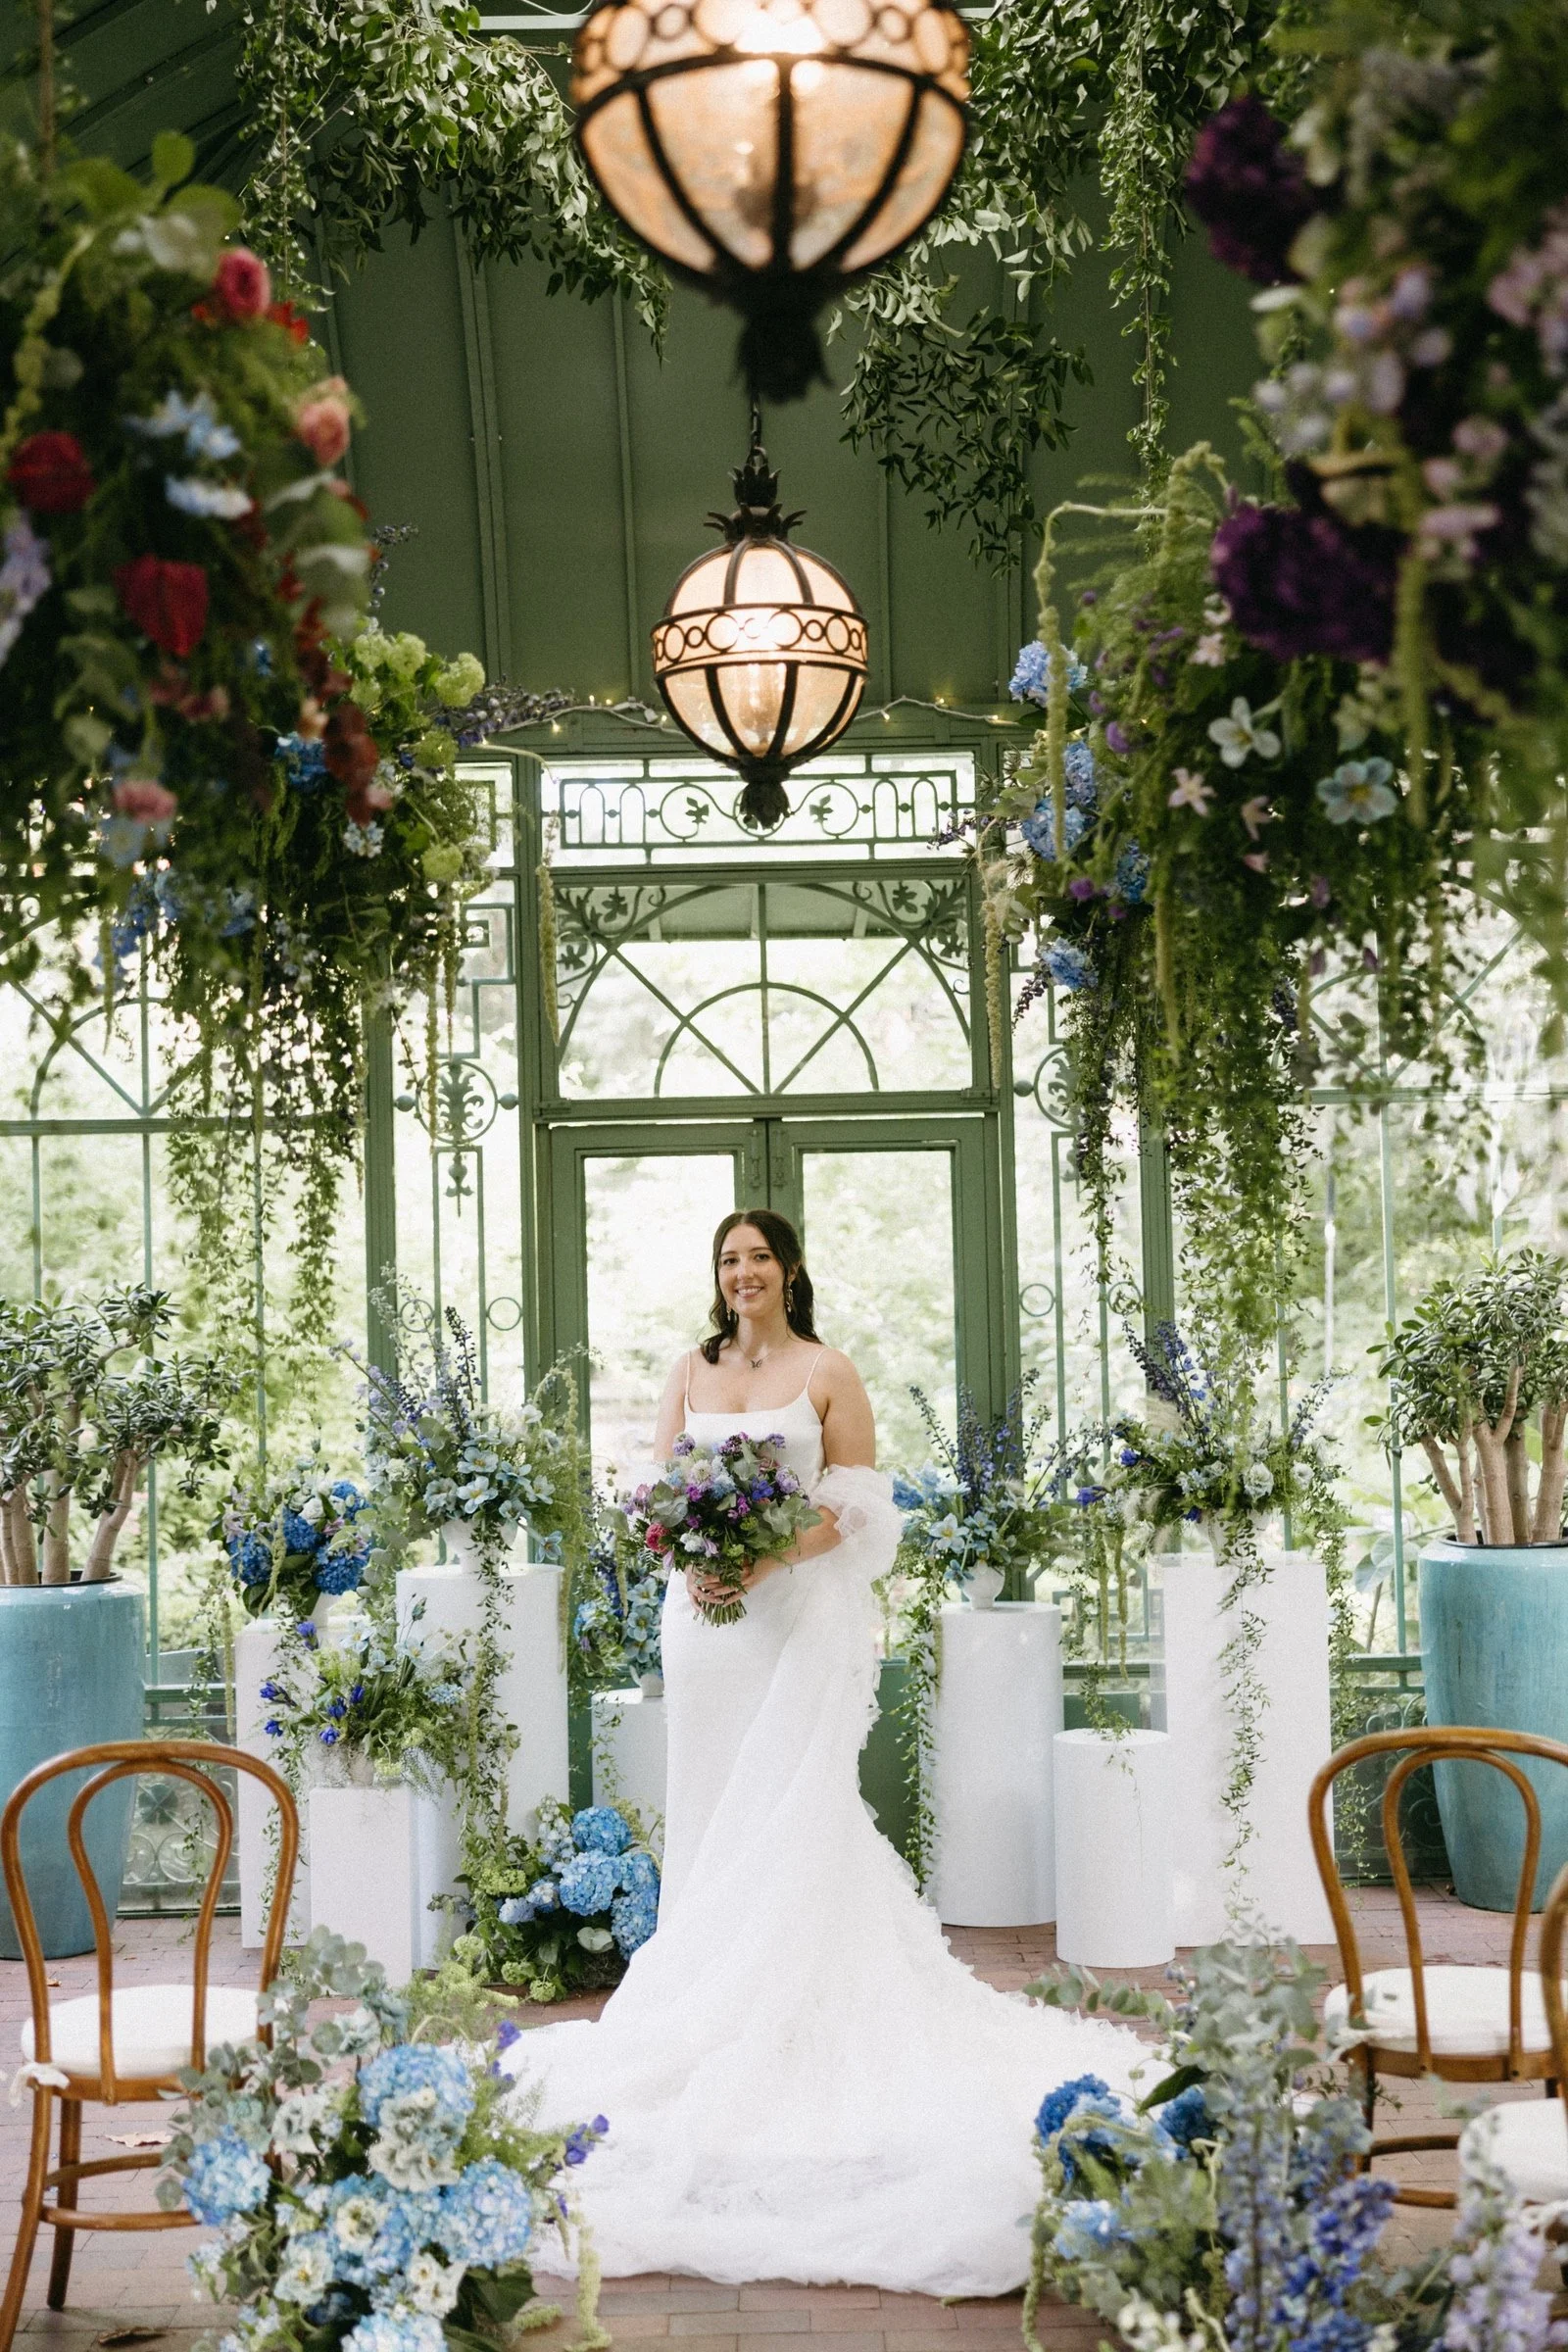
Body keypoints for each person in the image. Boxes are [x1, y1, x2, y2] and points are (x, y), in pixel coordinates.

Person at [502, 1206, 1144, 2295]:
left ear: (789, 1271)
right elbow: (662, 1489)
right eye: (727, 1260)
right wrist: (693, 1554)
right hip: (700, 1621)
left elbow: (858, 1507)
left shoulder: (828, 1370)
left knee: (792, 1799)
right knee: (710, 1798)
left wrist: (759, 1560)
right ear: (717, 1277)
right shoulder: (690, 1368)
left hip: (792, 1616)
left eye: (757, 1258)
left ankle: (791, 1992)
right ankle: (705, 1984)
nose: (742, 1273)